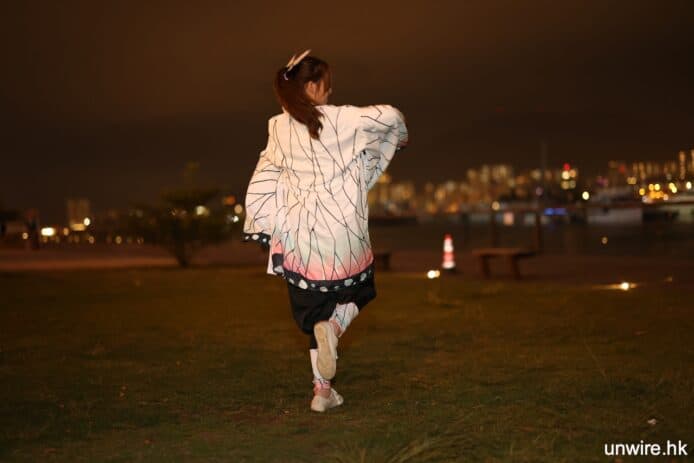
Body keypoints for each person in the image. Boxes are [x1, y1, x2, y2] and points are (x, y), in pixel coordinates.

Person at [243, 50, 408, 412]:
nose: (329, 93)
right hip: (342, 234)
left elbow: (264, 176)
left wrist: (262, 225)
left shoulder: (278, 128)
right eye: (327, 86)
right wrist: (397, 136)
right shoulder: (343, 119)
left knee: (314, 313)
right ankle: (332, 336)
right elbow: (390, 116)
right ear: (314, 86)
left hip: (301, 240)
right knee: (359, 293)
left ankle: (322, 392)